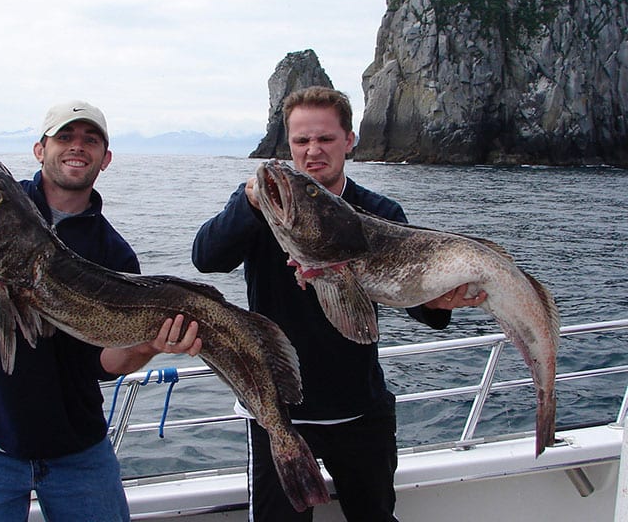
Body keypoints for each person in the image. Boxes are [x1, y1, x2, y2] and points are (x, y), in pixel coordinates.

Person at [192, 86, 486, 522]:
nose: (313, 151)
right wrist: (251, 202)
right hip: (277, 413)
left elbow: (418, 304)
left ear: (349, 140)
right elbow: (207, 257)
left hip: (360, 412)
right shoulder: (261, 206)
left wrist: (443, 301)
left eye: (325, 139)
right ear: (287, 144)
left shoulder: (379, 212)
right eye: (301, 141)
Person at [0, 100, 202, 522]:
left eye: (90, 140)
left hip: (77, 450)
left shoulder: (113, 253)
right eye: (64, 137)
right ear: (40, 149)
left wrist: (149, 345)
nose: (77, 147)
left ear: (105, 159)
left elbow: (101, 364)